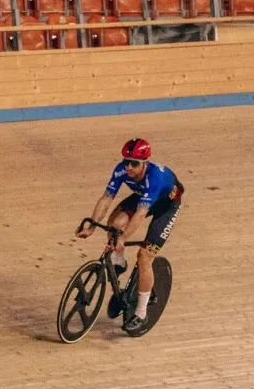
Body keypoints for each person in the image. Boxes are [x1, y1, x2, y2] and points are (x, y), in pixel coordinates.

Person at [76, 137, 184, 330]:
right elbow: (107, 197)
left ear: (145, 162)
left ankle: (141, 313)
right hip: (144, 197)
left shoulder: (155, 178)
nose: (129, 167)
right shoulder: (121, 170)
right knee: (114, 224)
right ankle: (119, 262)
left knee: (144, 256)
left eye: (134, 163)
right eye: (126, 162)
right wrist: (92, 225)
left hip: (166, 206)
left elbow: (142, 213)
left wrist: (124, 239)